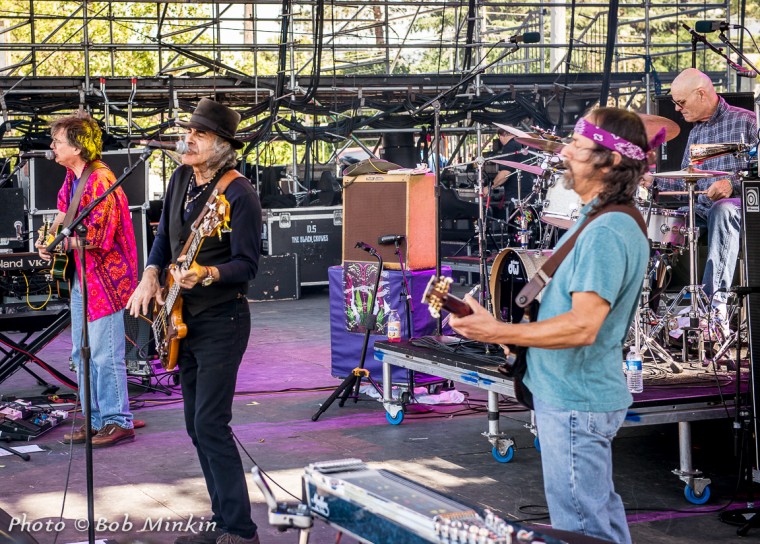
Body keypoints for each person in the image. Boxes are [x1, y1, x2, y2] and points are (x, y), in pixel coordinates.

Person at [450, 108, 653, 544]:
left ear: (611, 160)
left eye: (577, 147)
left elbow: (583, 327)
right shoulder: (597, 218)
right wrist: (520, 341)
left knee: (581, 530)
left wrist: (498, 332)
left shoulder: (607, 230)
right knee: (598, 521)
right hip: (571, 395)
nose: (563, 152)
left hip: (576, 400)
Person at [126, 98, 262, 544]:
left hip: (223, 319)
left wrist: (207, 273)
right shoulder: (182, 176)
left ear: (222, 145)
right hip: (182, 319)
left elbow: (247, 265)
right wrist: (150, 275)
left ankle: (241, 531)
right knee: (193, 426)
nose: (188, 139)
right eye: (189, 131)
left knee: (210, 424)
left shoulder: (239, 194)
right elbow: (164, 236)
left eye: (199, 134)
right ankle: (222, 519)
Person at [35, 112, 138, 448]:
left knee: (105, 353)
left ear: (77, 147)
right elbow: (63, 214)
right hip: (83, 275)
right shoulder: (73, 178)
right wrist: (48, 238)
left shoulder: (100, 181)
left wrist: (59, 244)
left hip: (107, 279)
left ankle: (118, 420)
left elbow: (99, 238)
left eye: (58, 142)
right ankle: (96, 420)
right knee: (82, 353)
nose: (52, 147)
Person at [646, 68, 758, 330]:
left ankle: (712, 310)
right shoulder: (696, 132)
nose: (676, 109)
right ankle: (647, 314)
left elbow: (758, 169)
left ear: (701, 94)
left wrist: (731, 183)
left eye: (681, 102)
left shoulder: (748, 122)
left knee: (723, 210)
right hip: (700, 208)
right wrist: (652, 179)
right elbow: (688, 177)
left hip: (742, 207)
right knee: (664, 223)